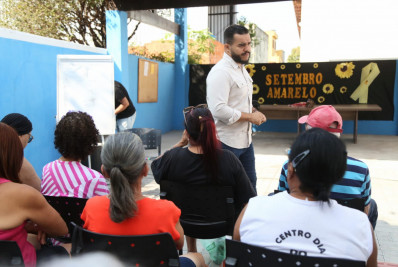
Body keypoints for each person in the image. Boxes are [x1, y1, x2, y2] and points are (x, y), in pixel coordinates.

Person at [234, 128, 377, 266]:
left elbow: (236, 259)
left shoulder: (252, 209)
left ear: (290, 170)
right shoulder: (361, 225)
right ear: (338, 176)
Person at [81, 132, 206, 267]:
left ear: (104, 172)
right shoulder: (166, 211)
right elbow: (179, 244)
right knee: (197, 257)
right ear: (145, 170)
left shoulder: (92, 207)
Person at [151, 105, 256, 253]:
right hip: (222, 226)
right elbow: (249, 199)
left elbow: (156, 165)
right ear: (212, 130)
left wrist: (180, 143)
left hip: (182, 225)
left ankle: (191, 251)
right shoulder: (228, 159)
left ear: (187, 133)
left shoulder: (172, 158)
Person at [278, 105, 378, 229]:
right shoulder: (360, 169)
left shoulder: (290, 165)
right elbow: (364, 211)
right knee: (371, 204)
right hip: (344, 230)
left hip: (300, 226)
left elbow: (281, 202)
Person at [206, 24, 266, 192]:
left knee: (250, 189)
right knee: (228, 192)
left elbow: (238, 101)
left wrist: (254, 111)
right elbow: (218, 109)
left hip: (246, 142)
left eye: (248, 44)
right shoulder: (221, 72)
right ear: (227, 47)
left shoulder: (241, 69)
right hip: (225, 143)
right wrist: (250, 117)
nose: (247, 49)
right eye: (241, 45)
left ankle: (246, 219)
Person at [0, 122, 68, 267]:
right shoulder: (22, 194)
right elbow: (61, 229)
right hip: (18, 262)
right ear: (14, 155)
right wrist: (33, 226)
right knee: (66, 249)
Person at [41, 111, 109, 198]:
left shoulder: (47, 170)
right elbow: (105, 208)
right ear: (90, 141)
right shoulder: (95, 179)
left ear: (59, 137)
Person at [1, 113, 41, 191]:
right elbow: (39, 189)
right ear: (19, 135)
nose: (27, 142)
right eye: (29, 138)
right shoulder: (19, 162)